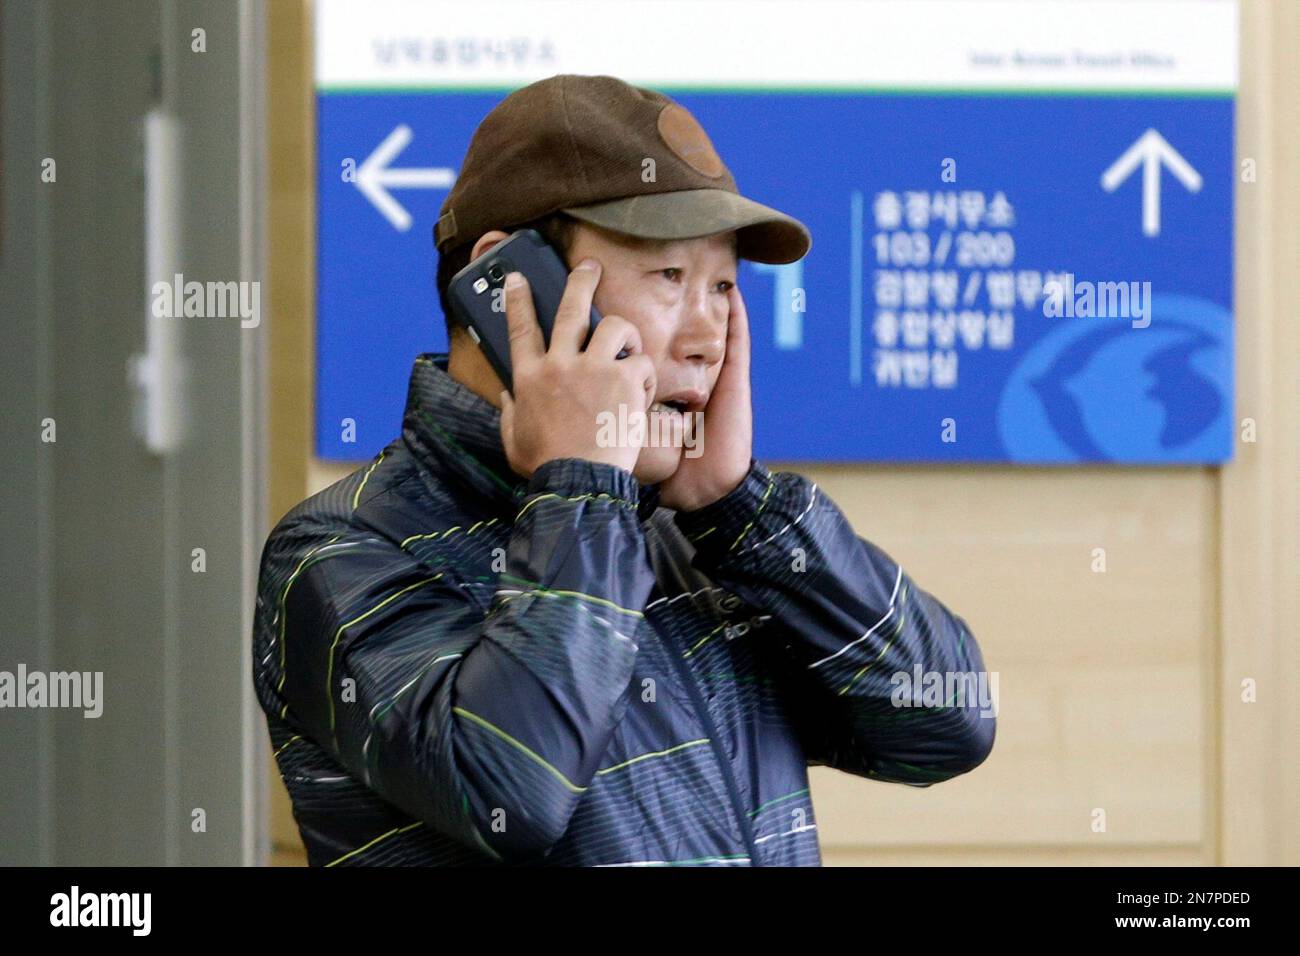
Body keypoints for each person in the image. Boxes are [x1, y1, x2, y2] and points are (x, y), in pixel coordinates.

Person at [251, 73, 995, 866]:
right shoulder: (340, 552)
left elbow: (945, 726)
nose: (707, 335)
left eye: (723, 287)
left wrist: (741, 509)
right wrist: (578, 484)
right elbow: (509, 786)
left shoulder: (692, 539)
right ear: (510, 287)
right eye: (669, 278)